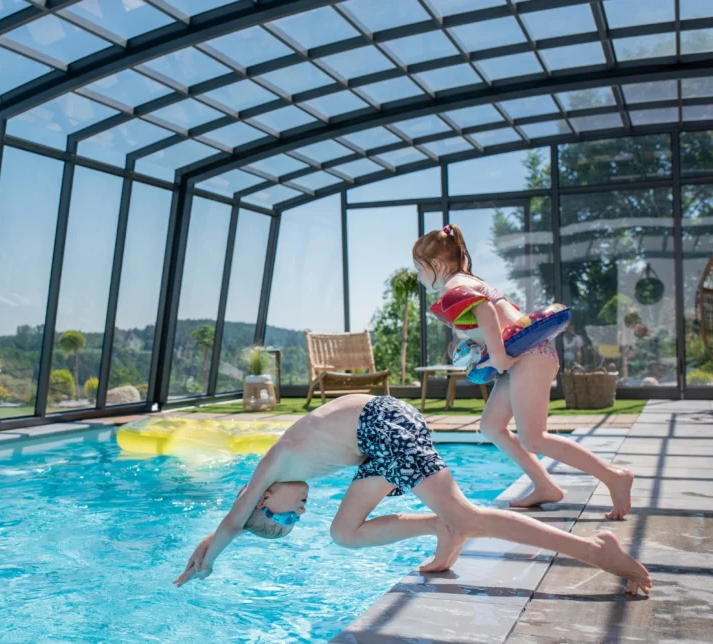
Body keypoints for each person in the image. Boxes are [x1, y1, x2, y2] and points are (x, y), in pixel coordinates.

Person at [172, 394, 650, 595]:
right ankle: (441, 531)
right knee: (343, 532)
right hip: (378, 437)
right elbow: (234, 520)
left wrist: (210, 556)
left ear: (261, 500)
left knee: (469, 516)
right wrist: (214, 539)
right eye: (295, 522)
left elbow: (234, 519)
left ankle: (597, 552)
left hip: (381, 426)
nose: (299, 512)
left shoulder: (272, 465)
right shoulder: (298, 466)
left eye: (286, 517)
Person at [412, 224, 633, 518]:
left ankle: (614, 477)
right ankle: (545, 486)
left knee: (534, 437)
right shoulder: (470, 280)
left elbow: (486, 312)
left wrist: (499, 357)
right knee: (492, 426)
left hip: (528, 356)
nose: (418, 276)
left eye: (419, 268)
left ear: (436, 264)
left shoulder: (453, 286)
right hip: (528, 355)